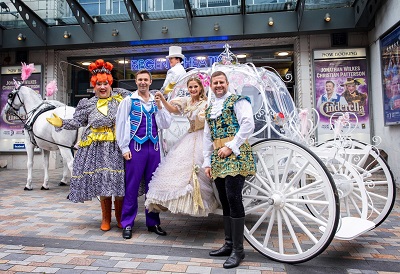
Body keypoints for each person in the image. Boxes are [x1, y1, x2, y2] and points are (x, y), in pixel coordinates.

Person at [46, 59, 127, 231]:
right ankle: (106, 219)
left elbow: (141, 98)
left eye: (106, 83)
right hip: (96, 149)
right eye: (99, 84)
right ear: (94, 86)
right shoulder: (87, 104)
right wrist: (61, 123)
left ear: (111, 84)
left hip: (117, 147)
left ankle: (120, 218)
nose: (103, 87)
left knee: (119, 184)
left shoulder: (121, 99)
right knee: (103, 183)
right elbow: (77, 122)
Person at [203, 71, 256, 269]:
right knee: (224, 199)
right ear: (211, 85)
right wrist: (207, 162)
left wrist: (231, 146)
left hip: (236, 153)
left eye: (221, 82)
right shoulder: (210, 108)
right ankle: (229, 244)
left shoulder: (237, 101)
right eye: (215, 83)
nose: (218, 85)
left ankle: (239, 251)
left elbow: (248, 124)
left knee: (234, 198)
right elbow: (207, 137)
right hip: (218, 156)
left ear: (227, 83)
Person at [145, 76, 219, 216]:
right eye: (190, 87)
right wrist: (162, 101)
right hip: (189, 137)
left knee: (198, 170)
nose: (193, 89)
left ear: (201, 88)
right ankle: (175, 199)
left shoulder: (206, 103)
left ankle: (198, 202)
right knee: (178, 168)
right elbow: (173, 110)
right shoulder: (186, 101)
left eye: (195, 87)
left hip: (204, 137)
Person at [115, 69, 172, 239]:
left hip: (154, 148)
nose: (143, 82)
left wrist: (161, 106)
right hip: (136, 148)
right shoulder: (128, 101)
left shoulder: (156, 101)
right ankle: (127, 223)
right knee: (131, 186)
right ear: (136, 81)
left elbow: (165, 123)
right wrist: (124, 148)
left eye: (145, 80)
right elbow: (121, 124)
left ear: (150, 81)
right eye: (140, 79)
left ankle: (153, 222)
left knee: (152, 187)